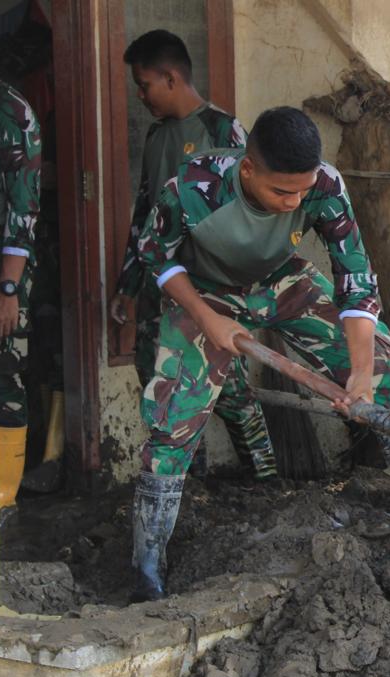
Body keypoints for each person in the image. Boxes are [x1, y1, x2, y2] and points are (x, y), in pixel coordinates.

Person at [129, 106, 390, 601]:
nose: (294, 201)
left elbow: (356, 282)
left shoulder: (326, 186)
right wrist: (209, 319)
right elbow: (156, 257)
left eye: (301, 192)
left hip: (281, 280)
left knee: (381, 361)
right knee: (173, 418)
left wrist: (360, 375)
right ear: (248, 169)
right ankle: (147, 569)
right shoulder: (191, 188)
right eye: (281, 192)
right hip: (205, 291)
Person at [110, 29, 277, 481]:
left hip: (209, 289)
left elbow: (252, 217)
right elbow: (144, 216)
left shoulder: (224, 131)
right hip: (159, 283)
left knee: (232, 390)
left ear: (169, 78)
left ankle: (266, 480)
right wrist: (127, 286)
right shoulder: (155, 136)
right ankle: (190, 485)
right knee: (163, 388)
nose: (141, 96)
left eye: (143, 85)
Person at [0, 34, 43, 524]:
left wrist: (8, 288)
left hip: (2, 259)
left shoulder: (9, 109)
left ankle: (5, 501)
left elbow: (25, 204)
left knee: (5, 372)